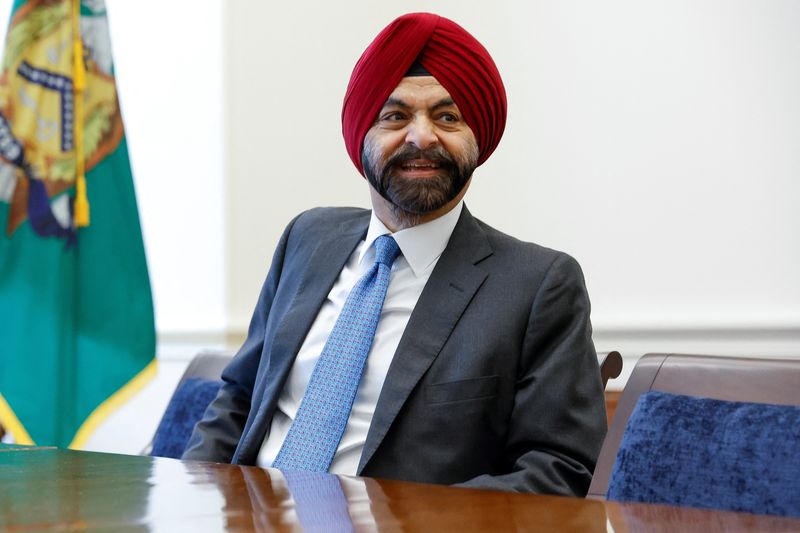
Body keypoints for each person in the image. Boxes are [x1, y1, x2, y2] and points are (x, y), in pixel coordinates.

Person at [183, 12, 606, 495]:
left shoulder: (537, 285)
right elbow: (238, 398)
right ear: (361, 134)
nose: (422, 136)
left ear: (477, 138)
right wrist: (187, 498)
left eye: (448, 117)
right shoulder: (307, 238)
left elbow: (558, 470)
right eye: (395, 116)